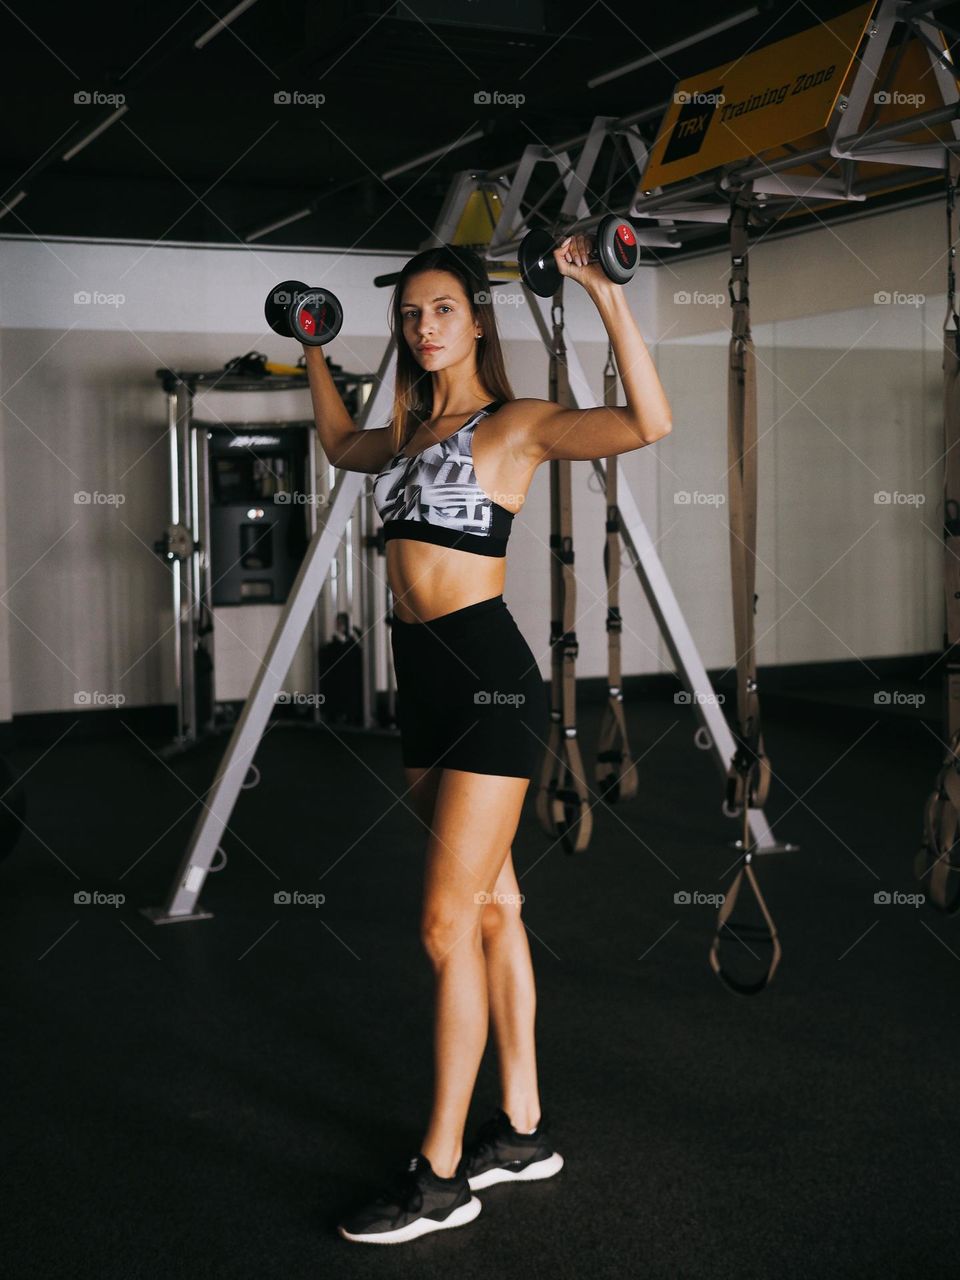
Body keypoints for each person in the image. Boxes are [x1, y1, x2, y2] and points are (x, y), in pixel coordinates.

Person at [302, 233, 673, 1244]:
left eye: (443, 311)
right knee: (496, 906)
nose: (425, 328)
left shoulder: (515, 425)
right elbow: (340, 446)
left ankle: (439, 1174)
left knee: (441, 924)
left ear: (476, 317)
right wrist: (310, 351)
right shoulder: (412, 436)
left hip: (487, 684)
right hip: (420, 685)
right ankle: (521, 1128)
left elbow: (650, 420)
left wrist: (600, 290)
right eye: (412, 314)